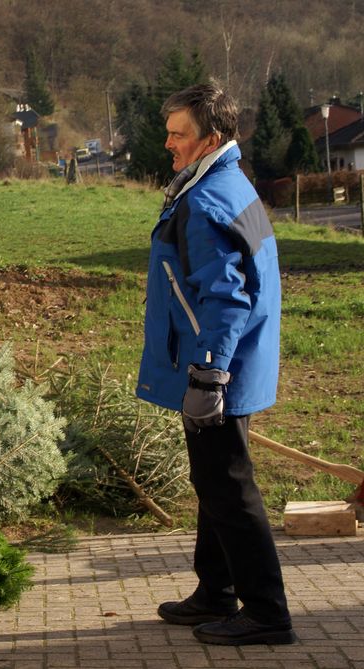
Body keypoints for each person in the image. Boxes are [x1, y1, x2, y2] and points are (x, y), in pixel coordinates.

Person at [136, 83, 295, 646]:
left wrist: (208, 375)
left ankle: (268, 614)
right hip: (242, 361)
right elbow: (261, 274)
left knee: (228, 485)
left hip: (218, 370)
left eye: (179, 134)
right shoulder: (235, 186)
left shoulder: (205, 202)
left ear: (212, 139)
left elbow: (226, 298)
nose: (168, 143)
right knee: (215, 481)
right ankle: (216, 590)